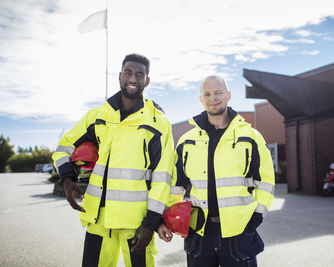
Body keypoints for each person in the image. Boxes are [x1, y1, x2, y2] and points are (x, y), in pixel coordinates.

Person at [52, 53, 174, 267]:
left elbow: (163, 176)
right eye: (128, 73)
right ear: (120, 76)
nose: (133, 79)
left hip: (136, 224)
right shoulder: (97, 116)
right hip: (98, 220)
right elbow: (63, 148)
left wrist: (152, 222)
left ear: (147, 80)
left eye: (139, 74)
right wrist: (68, 178)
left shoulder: (158, 122)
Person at [168, 75, 275, 267]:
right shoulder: (186, 141)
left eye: (218, 92)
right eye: (207, 94)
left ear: (229, 95)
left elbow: (266, 181)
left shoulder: (250, 137)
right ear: (201, 99)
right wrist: (173, 218)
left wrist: (256, 218)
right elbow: (176, 185)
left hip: (239, 232)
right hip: (199, 234)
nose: (213, 98)